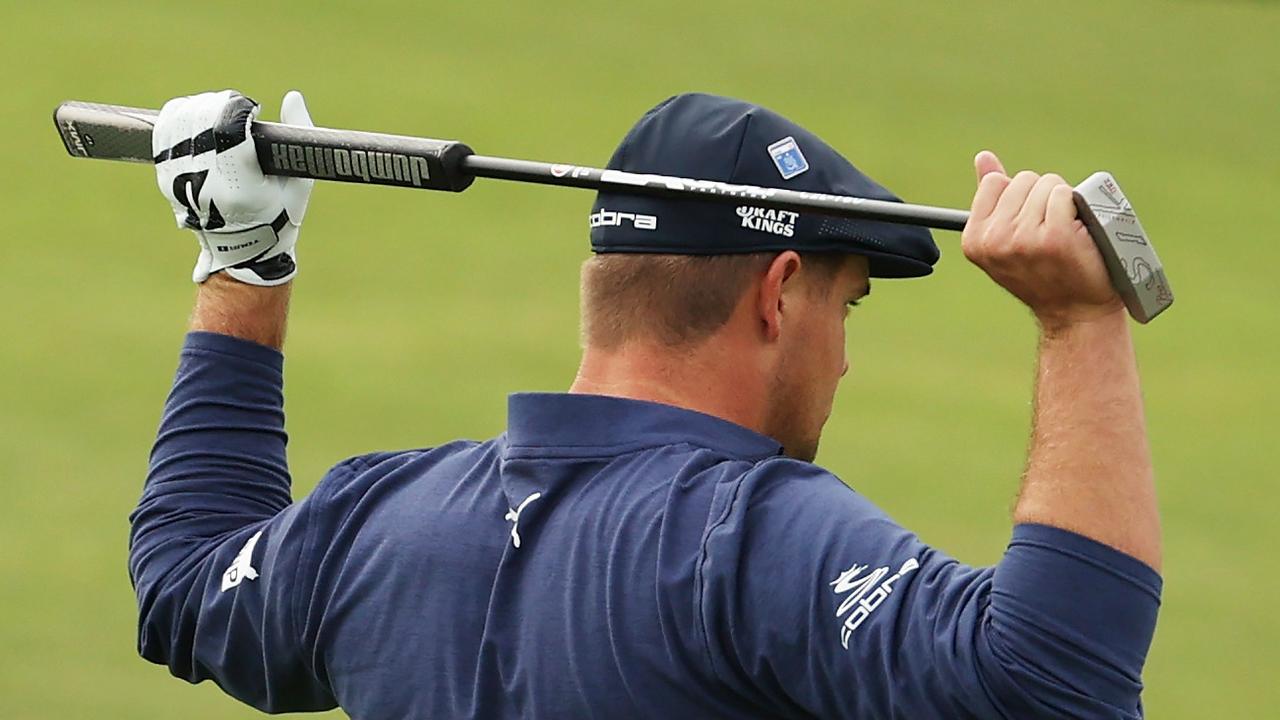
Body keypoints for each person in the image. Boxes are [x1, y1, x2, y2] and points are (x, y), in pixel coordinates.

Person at [130, 89, 1162, 719]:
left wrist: (243, 265)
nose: (841, 363)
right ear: (776, 293)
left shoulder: (377, 522)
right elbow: (1051, 688)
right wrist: (1078, 326)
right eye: (845, 308)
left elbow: (185, 579)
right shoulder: (744, 540)